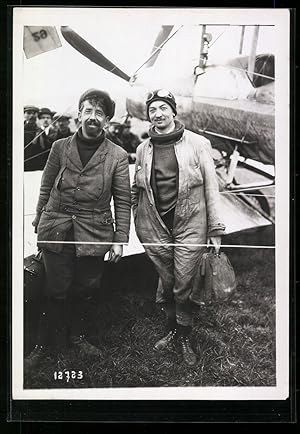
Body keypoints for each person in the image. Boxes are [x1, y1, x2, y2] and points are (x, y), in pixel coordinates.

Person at [25, 88, 131, 373]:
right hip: (56, 225)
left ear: (107, 120)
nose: (92, 117)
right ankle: (44, 344)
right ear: (79, 114)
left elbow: (122, 199)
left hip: (95, 230)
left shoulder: (118, 156)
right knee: (55, 288)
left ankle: (79, 337)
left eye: (99, 113)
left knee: (86, 287)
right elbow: (46, 186)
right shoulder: (60, 147)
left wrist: (120, 240)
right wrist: (39, 222)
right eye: (87, 110)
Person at [131, 89, 225, 366]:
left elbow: (211, 186)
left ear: (173, 111)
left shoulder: (198, 144)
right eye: (152, 110)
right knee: (169, 278)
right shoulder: (142, 149)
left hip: (191, 223)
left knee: (183, 279)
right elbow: (138, 189)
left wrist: (215, 229)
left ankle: (183, 334)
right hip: (155, 227)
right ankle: (173, 329)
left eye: (163, 108)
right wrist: (138, 217)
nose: (157, 114)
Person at [24, 105, 48, 171]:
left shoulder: (40, 131)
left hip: (37, 166)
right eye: (29, 113)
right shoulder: (20, 130)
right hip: (24, 165)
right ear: (24, 115)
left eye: (34, 113)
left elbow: (44, 149)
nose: (32, 116)